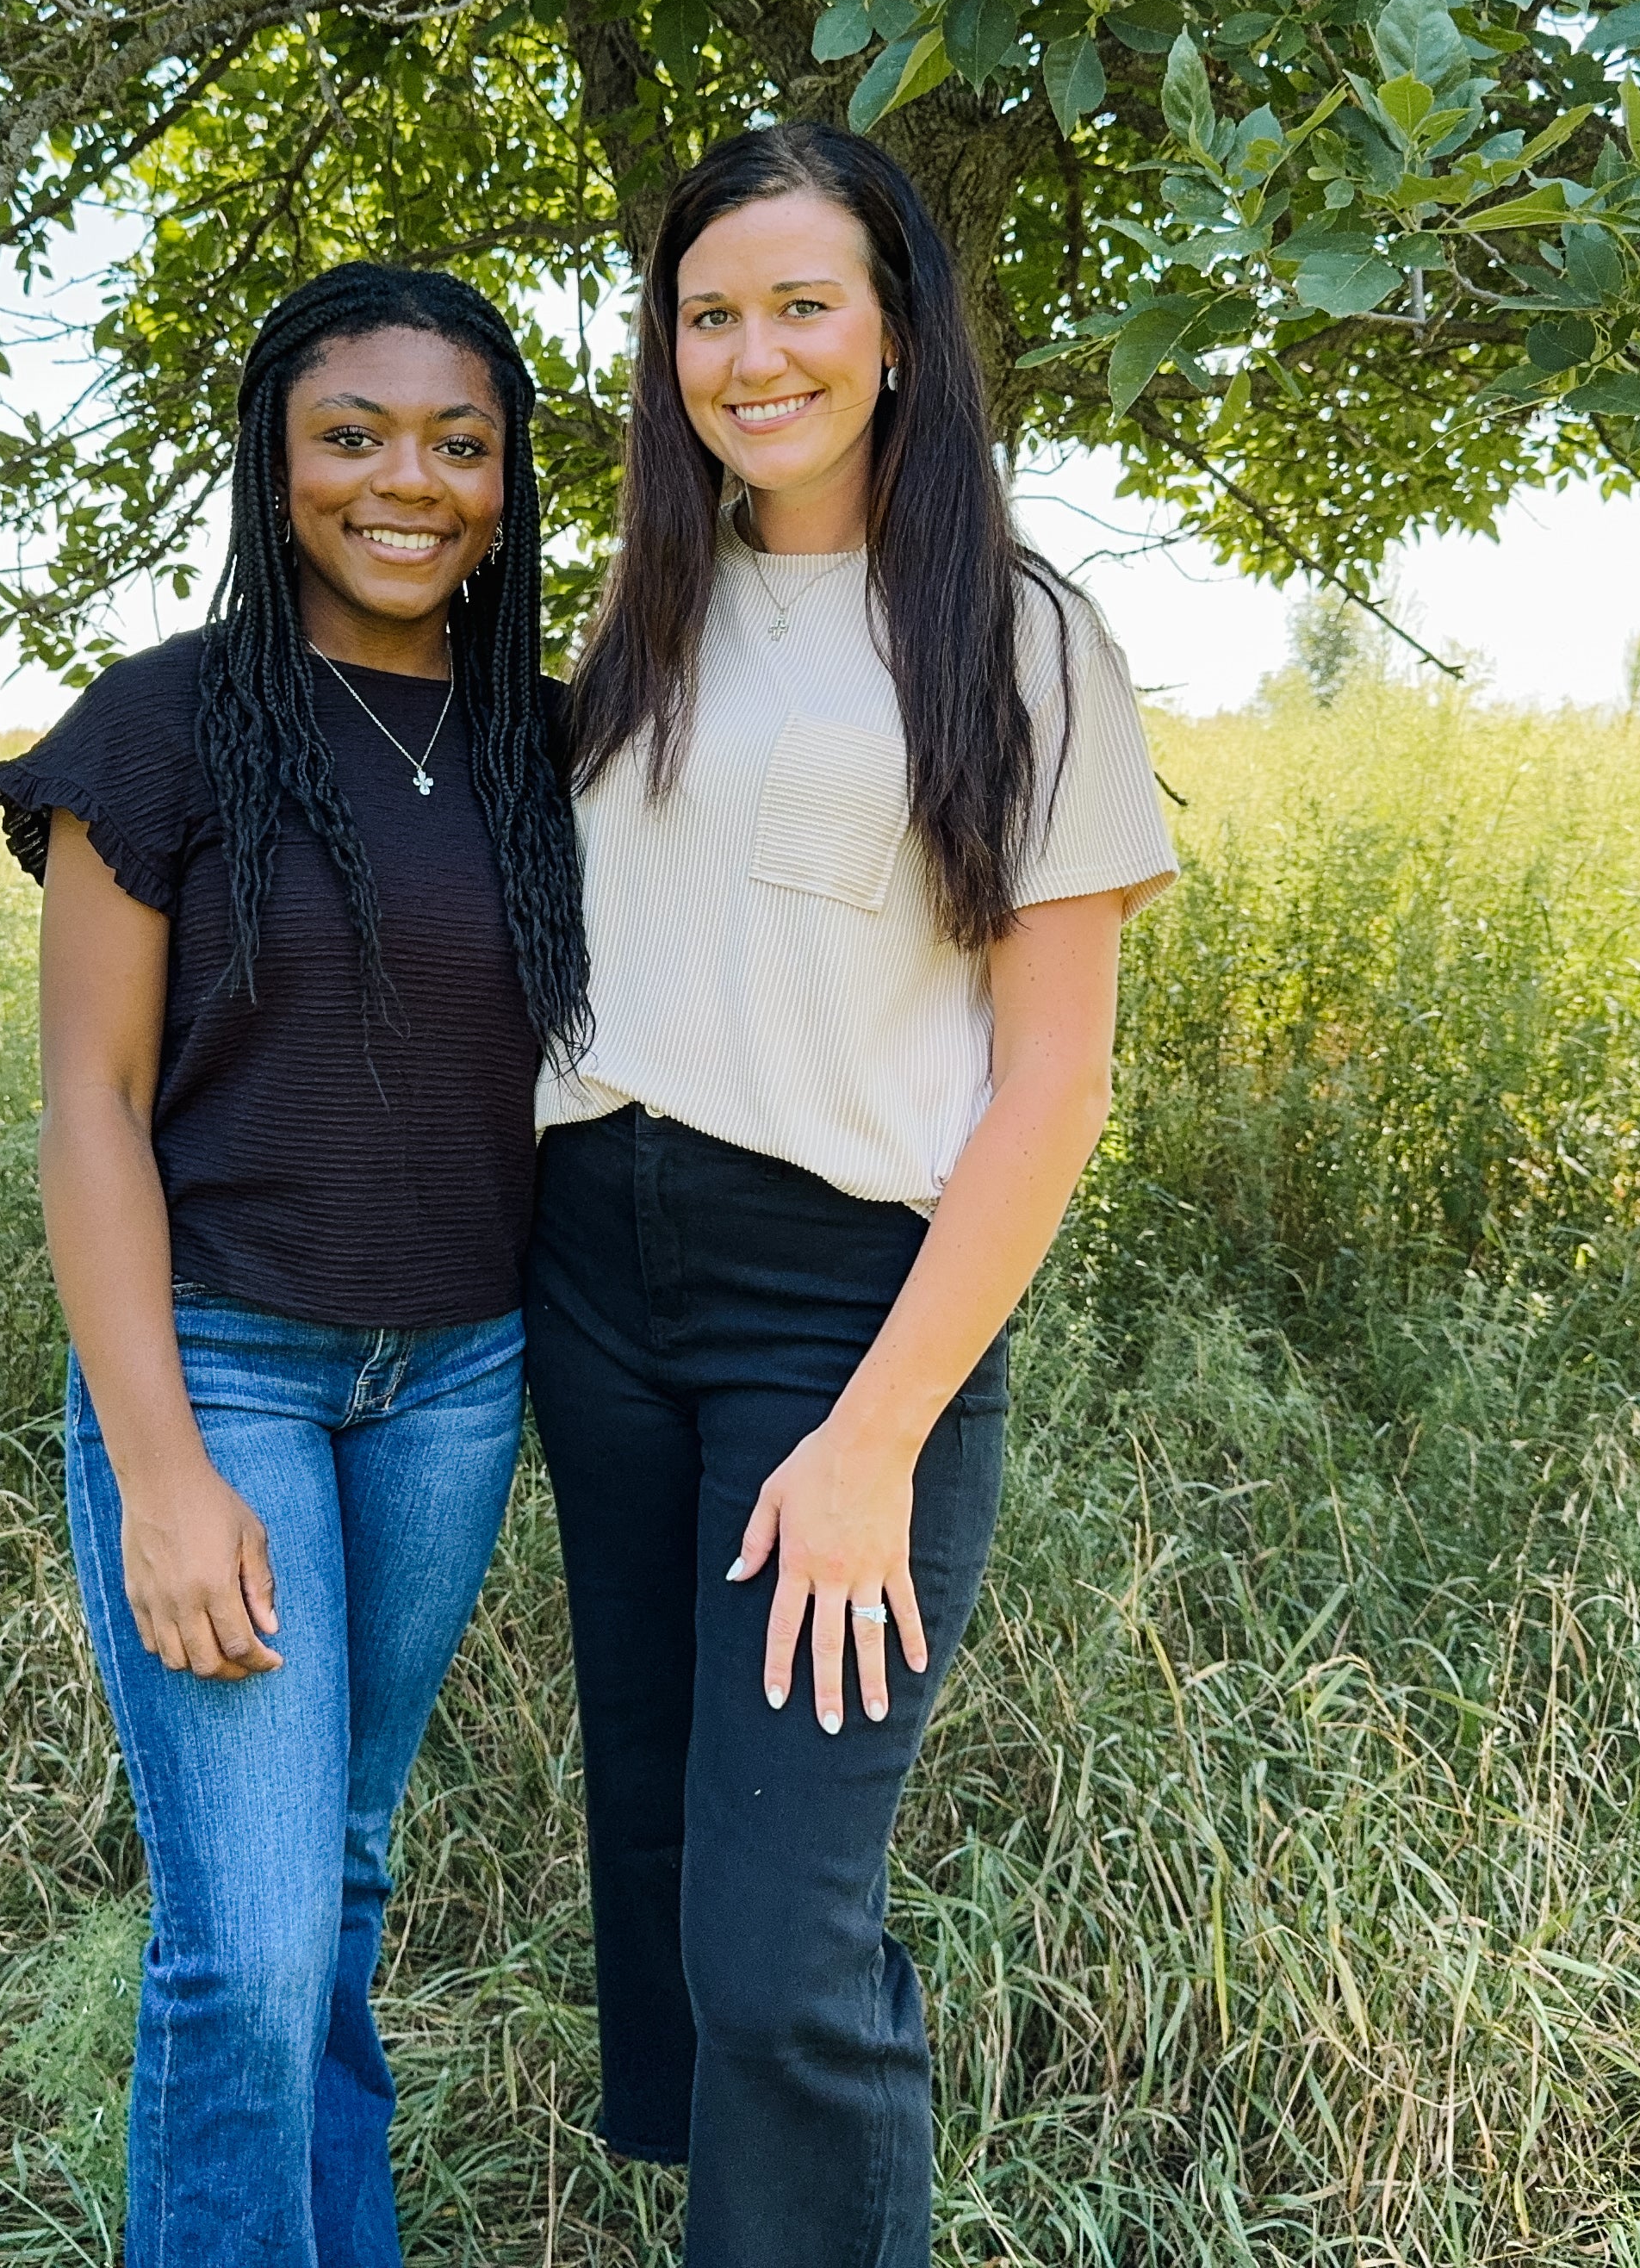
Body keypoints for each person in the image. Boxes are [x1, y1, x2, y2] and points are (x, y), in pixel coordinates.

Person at [526, 123, 1179, 2268]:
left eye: (802, 303)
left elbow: (1055, 1083)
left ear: (899, 332)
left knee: (788, 1948)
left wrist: (875, 1432)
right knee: (670, 1882)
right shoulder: (648, 604)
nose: (751, 352)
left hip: (834, 1315)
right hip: (595, 1277)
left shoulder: (1018, 634)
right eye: (708, 314)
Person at [0, 264, 583, 2268]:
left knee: (329, 1884)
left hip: (459, 1382)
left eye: (458, 443)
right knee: (239, 1949)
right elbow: (91, 1109)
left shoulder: (553, 751)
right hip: (224, 1367)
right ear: (275, 461)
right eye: (352, 436)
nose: (406, 482)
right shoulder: (161, 731)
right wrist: (158, 1467)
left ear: (505, 482)